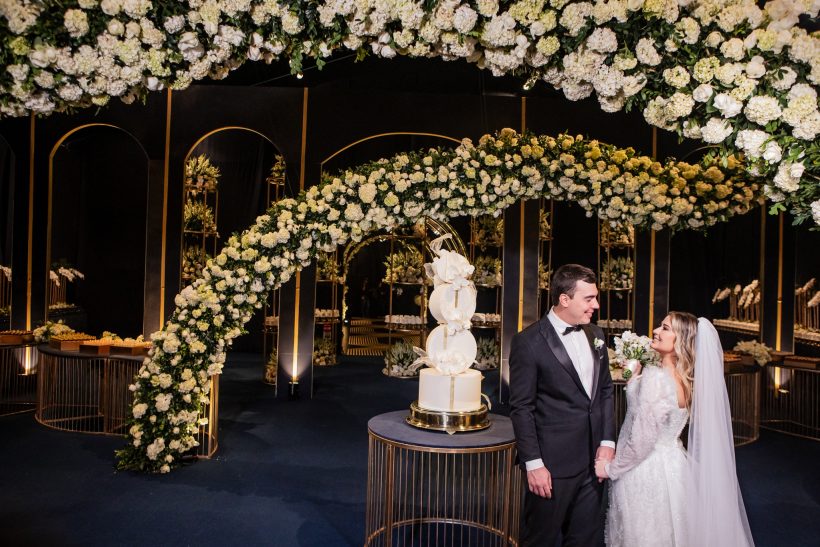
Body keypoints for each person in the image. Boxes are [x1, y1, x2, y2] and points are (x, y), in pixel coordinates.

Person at [595, 312, 755, 547]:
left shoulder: (657, 379)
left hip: (645, 470)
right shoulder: (684, 380)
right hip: (673, 465)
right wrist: (633, 373)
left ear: (680, 340)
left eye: (665, 328)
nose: (656, 331)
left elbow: (643, 439)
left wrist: (610, 468)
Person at [509, 264, 616, 546]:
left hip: (594, 464)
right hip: (552, 466)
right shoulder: (528, 342)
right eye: (589, 298)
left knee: (585, 539)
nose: (596, 305)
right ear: (564, 299)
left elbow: (605, 391)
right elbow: (522, 408)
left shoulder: (596, 335)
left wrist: (607, 441)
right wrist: (533, 464)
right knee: (540, 539)